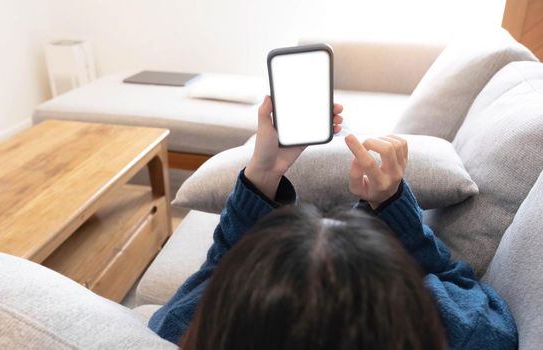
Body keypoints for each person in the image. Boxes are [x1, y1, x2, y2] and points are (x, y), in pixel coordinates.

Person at [149, 96, 518, 349]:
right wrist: (393, 208)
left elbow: (208, 283)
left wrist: (262, 173)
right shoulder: (469, 336)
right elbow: (466, 294)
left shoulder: (179, 330)